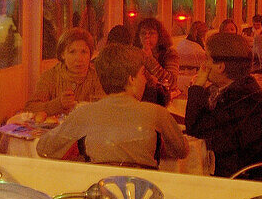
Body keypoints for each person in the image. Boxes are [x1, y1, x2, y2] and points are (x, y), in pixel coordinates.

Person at [37, 44, 188, 167]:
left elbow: (44, 148)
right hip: (141, 197)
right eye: (142, 74)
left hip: (98, 195)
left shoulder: (83, 114)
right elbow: (182, 151)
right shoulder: (157, 113)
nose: (146, 80)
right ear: (131, 79)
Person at [185, 33, 262, 179]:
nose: (203, 65)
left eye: (207, 59)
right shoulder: (242, 87)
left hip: (246, 180)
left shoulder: (241, 98)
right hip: (238, 172)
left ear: (220, 66)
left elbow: (196, 129)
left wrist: (197, 86)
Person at [24, 28, 102, 116]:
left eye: (84, 52)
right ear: (62, 54)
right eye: (72, 52)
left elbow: (105, 108)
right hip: (55, 129)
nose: (79, 58)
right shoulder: (51, 76)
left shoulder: (96, 77)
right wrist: (58, 104)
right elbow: (30, 108)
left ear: (90, 55)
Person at [133, 17, 178, 105]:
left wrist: (150, 59)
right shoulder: (135, 53)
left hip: (162, 101)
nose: (147, 37)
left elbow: (171, 82)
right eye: (143, 33)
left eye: (151, 33)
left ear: (159, 36)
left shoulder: (169, 53)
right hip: (140, 101)